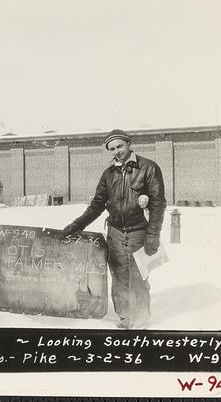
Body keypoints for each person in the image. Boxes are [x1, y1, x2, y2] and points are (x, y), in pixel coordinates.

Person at [62, 129, 166, 329]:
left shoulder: (149, 168)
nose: (117, 151)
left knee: (138, 278)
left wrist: (152, 235)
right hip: (116, 233)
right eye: (112, 149)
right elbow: (97, 206)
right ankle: (126, 320)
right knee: (119, 278)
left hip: (139, 232)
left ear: (128, 143)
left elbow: (158, 204)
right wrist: (77, 225)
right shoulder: (108, 174)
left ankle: (141, 322)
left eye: (119, 146)